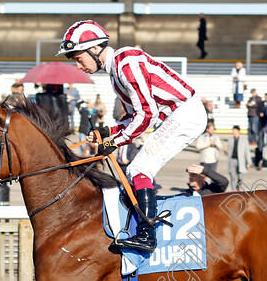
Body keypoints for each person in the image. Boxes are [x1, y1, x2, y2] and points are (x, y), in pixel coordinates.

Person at [59, 19, 205, 252]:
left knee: (139, 170)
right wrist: (106, 133)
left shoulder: (127, 62)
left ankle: (148, 236)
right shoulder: (116, 75)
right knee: (135, 171)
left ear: (95, 48)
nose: (78, 66)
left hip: (185, 113)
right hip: (175, 116)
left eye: (78, 58)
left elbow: (147, 113)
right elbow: (132, 117)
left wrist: (114, 141)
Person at [225, 125, 249, 190]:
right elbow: (229, 151)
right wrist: (226, 151)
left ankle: (238, 187)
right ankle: (234, 191)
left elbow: (247, 151)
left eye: (235, 131)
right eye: (233, 131)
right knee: (232, 177)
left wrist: (249, 161)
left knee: (240, 177)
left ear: (238, 131)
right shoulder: (230, 140)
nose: (234, 133)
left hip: (241, 160)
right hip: (232, 160)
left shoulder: (244, 140)